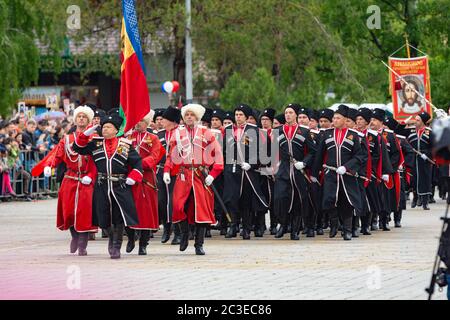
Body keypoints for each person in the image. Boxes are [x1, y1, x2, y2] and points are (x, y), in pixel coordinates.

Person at [73, 112, 143, 259]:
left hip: (120, 185)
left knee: (118, 216)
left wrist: (133, 177)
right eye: (104, 127)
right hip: (102, 185)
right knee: (103, 216)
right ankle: (111, 236)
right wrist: (86, 133)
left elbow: (137, 163)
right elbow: (78, 148)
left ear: (116, 130)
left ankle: (116, 244)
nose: (105, 129)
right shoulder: (96, 143)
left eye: (109, 127)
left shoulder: (125, 145)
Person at [163, 104, 223, 255]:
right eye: (187, 114)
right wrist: (166, 171)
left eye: (192, 115)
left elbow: (218, 155)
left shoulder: (206, 132)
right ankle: (184, 233)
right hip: (183, 175)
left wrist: (212, 175)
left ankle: (199, 244)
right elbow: (171, 155)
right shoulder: (177, 133)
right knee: (177, 206)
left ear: (197, 117)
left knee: (201, 210)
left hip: (200, 175)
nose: (189, 117)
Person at [42, 106, 98, 255]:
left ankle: (82, 244)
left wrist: (91, 176)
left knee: (84, 213)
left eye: (84, 117)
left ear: (89, 120)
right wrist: (49, 165)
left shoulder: (95, 139)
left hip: (86, 180)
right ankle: (74, 236)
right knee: (69, 212)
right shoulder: (67, 139)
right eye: (79, 116)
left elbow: (97, 162)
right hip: (70, 179)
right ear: (75, 119)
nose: (81, 119)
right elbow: (57, 155)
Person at [312, 105, 364, 240]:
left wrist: (347, 167)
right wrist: (314, 172)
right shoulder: (326, 134)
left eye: (338, 118)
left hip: (347, 175)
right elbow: (319, 155)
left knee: (347, 202)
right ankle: (334, 224)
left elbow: (359, 156)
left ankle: (347, 230)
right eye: (334, 118)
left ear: (345, 119)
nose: (334, 120)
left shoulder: (353, 135)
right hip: (331, 174)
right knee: (329, 200)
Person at [222, 104, 268, 240]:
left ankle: (246, 228)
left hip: (247, 170)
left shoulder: (254, 130)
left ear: (247, 117)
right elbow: (223, 150)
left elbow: (263, 152)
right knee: (231, 199)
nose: (238, 117)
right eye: (236, 114)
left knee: (246, 200)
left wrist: (252, 164)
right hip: (232, 169)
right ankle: (233, 226)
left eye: (241, 115)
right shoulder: (228, 129)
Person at [273, 104, 317, 240]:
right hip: (283, 170)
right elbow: (272, 150)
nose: (288, 115)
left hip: (298, 171)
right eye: (286, 112)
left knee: (298, 200)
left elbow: (312, 151)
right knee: (280, 199)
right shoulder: (278, 131)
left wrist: (304, 162)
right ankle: (283, 224)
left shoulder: (304, 132)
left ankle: (295, 230)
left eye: (290, 112)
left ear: (296, 115)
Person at [126, 112, 164, 255]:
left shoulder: (153, 138)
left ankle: (143, 244)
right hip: (130, 178)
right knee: (128, 209)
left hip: (146, 178)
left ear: (147, 123)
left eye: (141, 120)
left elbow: (155, 156)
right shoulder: (127, 137)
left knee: (146, 212)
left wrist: (138, 164)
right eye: (136, 120)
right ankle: (130, 237)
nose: (138, 123)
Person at [156, 107, 182, 244]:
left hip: (176, 171)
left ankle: (178, 231)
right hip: (160, 170)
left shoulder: (180, 133)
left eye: (164, 119)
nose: (161, 121)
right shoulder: (159, 134)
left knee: (174, 202)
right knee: (161, 201)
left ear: (172, 121)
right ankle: (166, 228)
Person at [406, 111, 434, 210]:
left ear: (423, 122)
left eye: (418, 120)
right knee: (414, 179)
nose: (415, 122)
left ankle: (425, 201)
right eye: (416, 119)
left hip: (424, 159)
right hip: (413, 158)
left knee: (425, 179)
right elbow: (402, 139)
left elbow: (433, 147)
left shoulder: (429, 132)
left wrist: (427, 154)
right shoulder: (410, 131)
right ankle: (415, 197)